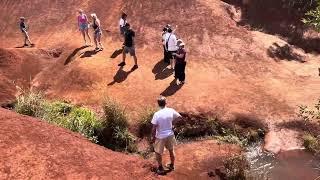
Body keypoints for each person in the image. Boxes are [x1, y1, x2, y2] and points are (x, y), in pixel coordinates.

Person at [151, 96, 182, 175]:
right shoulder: (170, 110)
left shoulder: (157, 114)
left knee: (158, 152)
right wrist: (173, 124)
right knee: (171, 150)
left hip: (160, 136)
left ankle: (160, 168)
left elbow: (154, 128)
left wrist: (153, 137)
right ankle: (172, 165)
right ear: (166, 103)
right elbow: (179, 117)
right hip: (170, 134)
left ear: (158, 104)